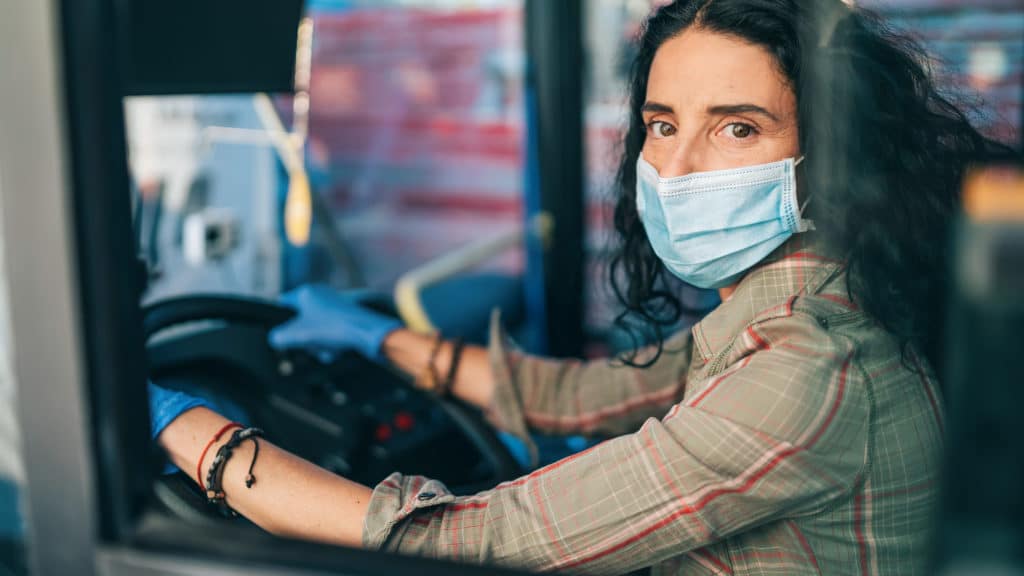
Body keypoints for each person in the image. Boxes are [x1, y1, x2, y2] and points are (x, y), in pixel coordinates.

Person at [149, 0, 1017, 573]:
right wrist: (379, 338)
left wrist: (187, 432)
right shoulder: (811, 301)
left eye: (738, 129)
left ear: (831, 155)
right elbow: (592, 391)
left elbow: (479, 542)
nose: (673, 167)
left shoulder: (809, 370)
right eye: (662, 125)